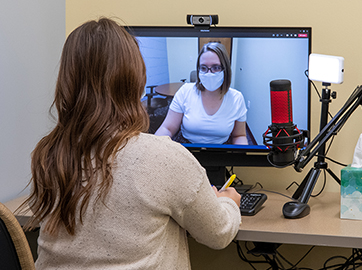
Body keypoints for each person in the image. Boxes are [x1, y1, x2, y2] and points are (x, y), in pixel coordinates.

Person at [22, 18, 241, 269]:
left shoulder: (50, 154)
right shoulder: (166, 157)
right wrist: (228, 202)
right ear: (135, 79)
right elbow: (219, 233)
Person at [155, 42, 249, 145]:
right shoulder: (185, 91)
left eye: (216, 67)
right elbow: (167, 128)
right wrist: (156, 146)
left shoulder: (236, 98)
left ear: (225, 69)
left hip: (222, 149)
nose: (209, 73)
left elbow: (239, 135)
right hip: (188, 146)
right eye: (203, 68)